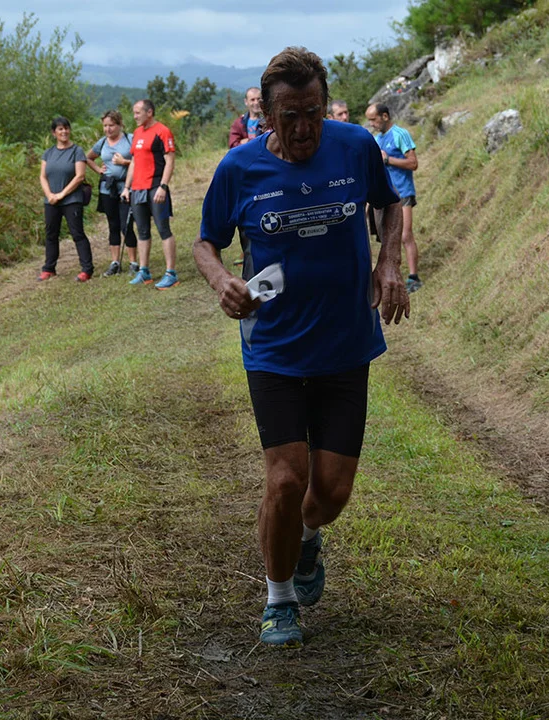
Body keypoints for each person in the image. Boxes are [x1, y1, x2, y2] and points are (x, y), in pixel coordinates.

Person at [193, 46, 409, 647]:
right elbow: (206, 243)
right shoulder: (239, 168)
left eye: (314, 112)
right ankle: (279, 597)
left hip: (346, 343)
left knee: (331, 493)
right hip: (276, 349)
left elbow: (389, 204)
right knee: (286, 480)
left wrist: (389, 262)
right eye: (290, 116)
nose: (305, 127)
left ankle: (307, 538)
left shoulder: (355, 145)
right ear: (266, 115)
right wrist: (221, 281)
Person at [121, 99, 179, 289]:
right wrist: (127, 187)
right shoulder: (137, 133)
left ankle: (171, 273)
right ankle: (144, 271)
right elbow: (134, 162)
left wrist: (163, 186)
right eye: (134, 112)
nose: (135, 116)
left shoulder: (162, 131)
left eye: (138, 112)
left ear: (149, 112)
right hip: (137, 189)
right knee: (142, 231)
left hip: (155, 186)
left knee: (163, 229)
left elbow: (170, 160)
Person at [365, 102, 422, 293]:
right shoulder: (376, 139)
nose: (371, 124)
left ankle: (414, 277)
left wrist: (388, 159)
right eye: (369, 120)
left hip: (403, 192)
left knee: (405, 235)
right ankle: (392, 275)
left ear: (385, 116)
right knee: (387, 238)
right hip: (385, 196)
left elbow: (413, 163)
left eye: (374, 119)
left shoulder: (400, 134)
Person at [38, 116, 94, 282]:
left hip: (72, 200)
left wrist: (62, 194)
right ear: (54, 133)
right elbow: (43, 176)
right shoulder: (48, 153)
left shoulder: (77, 151)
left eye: (66, 128)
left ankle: (87, 269)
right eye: (60, 129)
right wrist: (49, 195)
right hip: (51, 201)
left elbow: (80, 176)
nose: (64, 132)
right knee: (51, 234)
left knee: (77, 233)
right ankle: (49, 268)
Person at [88, 110, 139, 277]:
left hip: (126, 187)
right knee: (113, 225)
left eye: (111, 125)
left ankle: (133, 262)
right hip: (107, 188)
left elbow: (141, 160)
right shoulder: (102, 142)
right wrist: (98, 170)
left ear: (119, 125)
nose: (108, 129)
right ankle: (115, 262)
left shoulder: (129, 139)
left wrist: (124, 162)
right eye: (105, 126)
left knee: (126, 224)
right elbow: (88, 158)